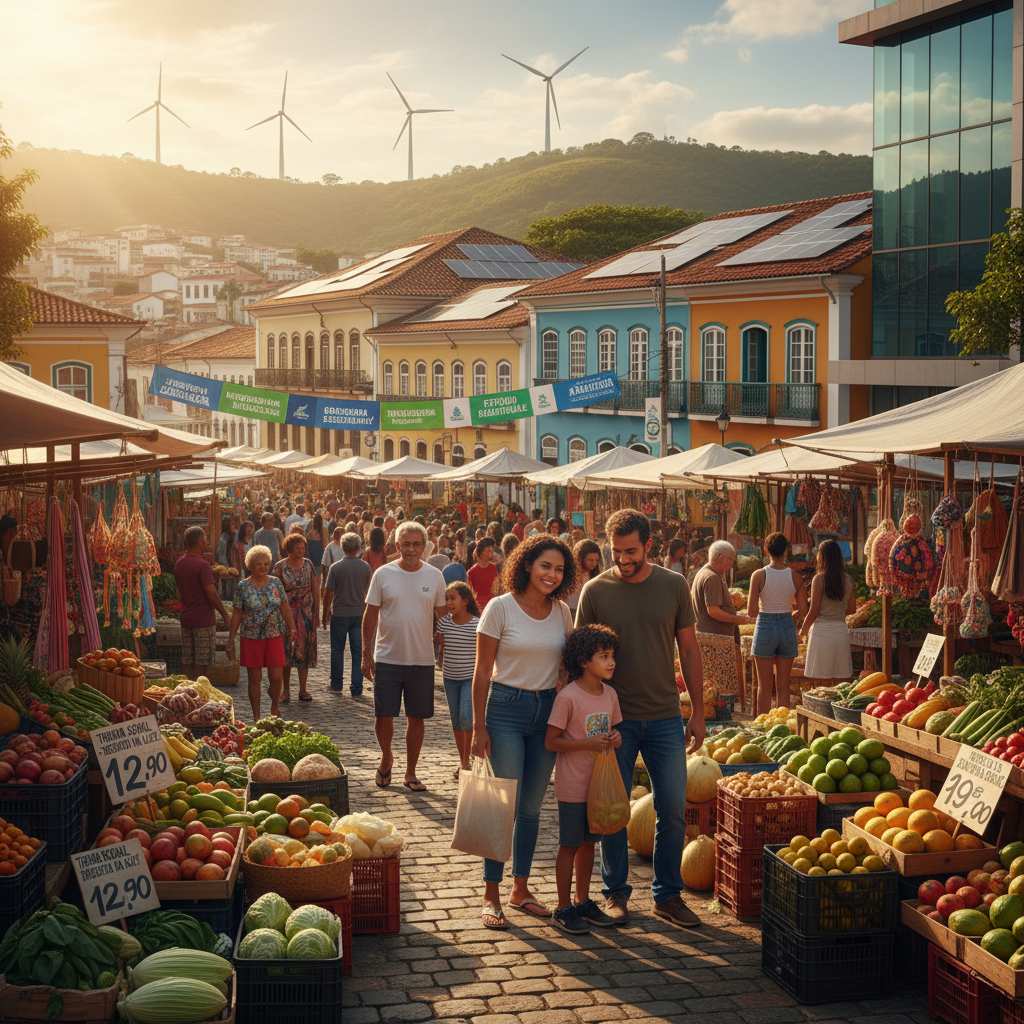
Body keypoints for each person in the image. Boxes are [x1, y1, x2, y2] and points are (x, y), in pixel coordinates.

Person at [576, 509, 704, 929]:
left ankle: (667, 895)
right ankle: (615, 893)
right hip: (613, 721)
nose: (623, 559)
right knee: (612, 810)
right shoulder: (595, 590)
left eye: (631, 551)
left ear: (649, 545)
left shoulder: (674, 585)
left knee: (672, 808)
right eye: (617, 552)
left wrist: (698, 711)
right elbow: (580, 659)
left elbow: (689, 650)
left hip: (665, 715)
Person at [471, 534, 575, 931]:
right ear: (527, 565)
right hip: (505, 710)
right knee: (505, 804)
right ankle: (490, 894)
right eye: (545, 566)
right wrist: (478, 726)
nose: (551, 574)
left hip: (546, 712)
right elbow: (482, 671)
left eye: (559, 569)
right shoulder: (500, 608)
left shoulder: (562, 612)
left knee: (531, 808)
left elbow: (566, 666)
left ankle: (521, 888)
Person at [546, 623, 624, 934]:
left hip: (599, 786)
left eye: (612, 656)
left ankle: (582, 901)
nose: (611, 662)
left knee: (590, 844)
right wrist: (586, 744)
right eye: (604, 656)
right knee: (569, 845)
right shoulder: (568, 697)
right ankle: (563, 907)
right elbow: (551, 741)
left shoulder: (611, 695)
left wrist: (614, 738)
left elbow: (612, 730)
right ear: (583, 661)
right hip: (572, 785)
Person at [362, 521, 447, 793]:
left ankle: (411, 772)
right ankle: (386, 755)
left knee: (416, 718)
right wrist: (366, 652)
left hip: (421, 659)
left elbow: (442, 616)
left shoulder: (435, 576)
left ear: (424, 546)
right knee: (383, 714)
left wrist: (447, 648)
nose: (411, 549)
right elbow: (370, 615)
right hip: (387, 656)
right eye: (406, 544)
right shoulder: (383, 574)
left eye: (416, 544)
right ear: (396, 546)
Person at [229, 545, 296, 720]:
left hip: (274, 634)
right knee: (254, 679)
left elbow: (284, 607)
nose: (263, 567)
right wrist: (231, 638)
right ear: (250, 565)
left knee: (276, 676)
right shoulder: (243, 586)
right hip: (251, 636)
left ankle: (274, 705)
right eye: (259, 564)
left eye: (266, 564)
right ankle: (257, 716)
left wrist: (292, 628)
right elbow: (236, 612)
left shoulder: (276, 583)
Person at [747, 532, 807, 713]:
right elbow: (804, 610)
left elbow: (751, 612)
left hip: (765, 625)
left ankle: (762, 725)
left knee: (764, 687)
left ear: (766, 550)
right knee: (783, 685)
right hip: (787, 626)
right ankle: (781, 724)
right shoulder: (795, 576)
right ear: (786, 551)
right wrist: (790, 616)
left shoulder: (758, 575)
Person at [173, 526, 231, 680]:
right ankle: (198, 691)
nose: (206, 541)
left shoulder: (180, 562)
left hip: (186, 617)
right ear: (199, 541)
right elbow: (211, 593)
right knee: (202, 661)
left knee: (188, 658)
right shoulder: (202, 565)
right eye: (205, 538)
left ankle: (187, 689)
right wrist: (224, 614)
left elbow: (179, 593)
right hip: (203, 619)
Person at [436, 581, 480, 776]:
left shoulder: (477, 624)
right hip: (449, 677)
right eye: (447, 599)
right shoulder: (444, 622)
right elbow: (441, 643)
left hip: (469, 678)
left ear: (466, 601)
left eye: (453, 598)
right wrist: (439, 658)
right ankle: (463, 760)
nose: (449, 603)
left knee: (465, 717)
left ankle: (467, 759)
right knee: (455, 719)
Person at [272, 534, 320, 703]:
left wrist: (316, 613)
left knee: (304, 652)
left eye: (303, 548)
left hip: (306, 614)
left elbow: (315, 589)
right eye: (298, 548)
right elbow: (275, 593)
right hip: (286, 615)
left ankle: (303, 689)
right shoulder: (279, 567)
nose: (302, 551)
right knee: (286, 652)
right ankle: (285, 691)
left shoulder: (308, 565)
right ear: (290, 548)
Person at [801, 539, 856, 682]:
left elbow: (814, 610)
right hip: (840, 632)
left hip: (821, 633)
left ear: (823, 557)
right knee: (840, 684)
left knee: (821, 685)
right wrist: (837, 612)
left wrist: (803, 630)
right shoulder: (848, 579)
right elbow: (852, 609)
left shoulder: (819, 579)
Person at [322, 532, 370, 697]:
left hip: (340, 613)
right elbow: (368, 591)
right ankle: (357, 687)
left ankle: (336, 684)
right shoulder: (365, 567)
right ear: (358, 548)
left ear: (342, 547)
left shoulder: (336, 568)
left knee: (337, 650)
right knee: (358, 652)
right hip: (359, 613)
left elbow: (328, 593)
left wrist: (325, 613)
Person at [692, 541, 748, 637]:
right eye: (731, 560)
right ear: (720, 557)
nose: (731, 565)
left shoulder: (706, 572)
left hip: (711, 635)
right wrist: (736, 619)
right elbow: (713, 611)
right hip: (715, 638)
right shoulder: (712, 577)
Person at [566, 539, 602, 615]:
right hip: (570, 611)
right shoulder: (569, 573)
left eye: (596, 560)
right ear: (580, 558)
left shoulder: (594, 574)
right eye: (590, 560)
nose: (594, 563)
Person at [467, 537, 499, 611]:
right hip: (477, 608)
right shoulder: (471, 572)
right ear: (481, 553)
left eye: (492, 550)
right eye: (488, 551)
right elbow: (470, 594)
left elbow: (495, 590)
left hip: (491, 606)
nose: (491, 553)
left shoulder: (494, 568)